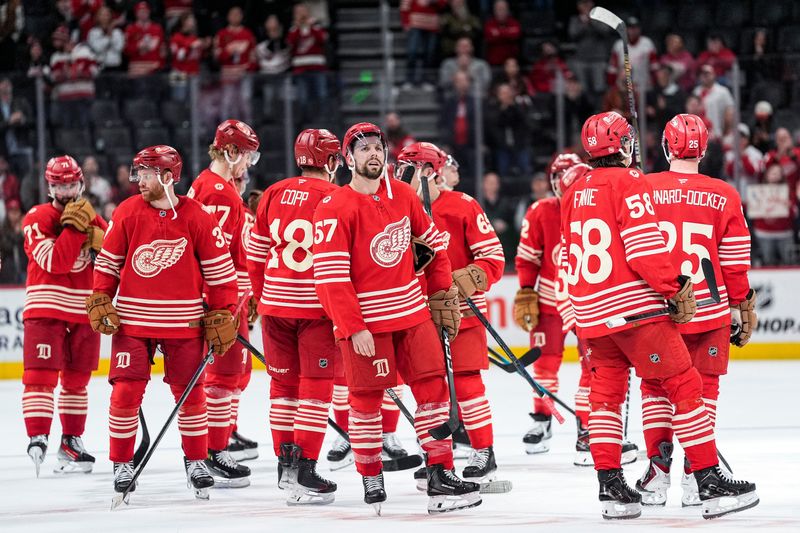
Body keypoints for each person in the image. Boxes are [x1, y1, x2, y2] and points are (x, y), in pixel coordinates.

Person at [562, 111, 757, 520]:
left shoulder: (575, 189)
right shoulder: (642, 182)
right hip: (644, 308)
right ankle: (706, 478)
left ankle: (615, 486)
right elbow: (644, 248)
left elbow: (567, 253)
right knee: (688, 385)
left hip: (592, 313)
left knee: (608, 399)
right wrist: (676, 288)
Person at [312, 122, 480, 514]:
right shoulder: (334, 207)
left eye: (378, 146)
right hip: (368, 326)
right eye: (364, 148)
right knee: (366, 401)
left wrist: (441, 295)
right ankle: (372, 476)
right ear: (348, 158)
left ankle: (440, 472)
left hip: (412, 315)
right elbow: (331, 278)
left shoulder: (403, 194)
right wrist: (353, 327)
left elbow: (435, 249)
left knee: (433, 391)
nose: (373, 153)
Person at [89, 145, 239, 500]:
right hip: (132, 323)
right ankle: (122, 463)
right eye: (137, 173)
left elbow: (220, 274)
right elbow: (107, 265)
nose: (139, 180)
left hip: (184, 324)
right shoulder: (127, 212)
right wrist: (100, 298)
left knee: (191, 396)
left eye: (146, 174)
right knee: (125, 393)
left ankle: (196, 461)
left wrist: (222, 310)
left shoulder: (198, 216)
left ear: (168, 177)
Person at [636, 114, 759, 507]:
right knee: (703, 392)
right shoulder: (725, 194)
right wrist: (742, 304)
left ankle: (656, 476)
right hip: (710, 311)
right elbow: (735, 262)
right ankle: (696, 474)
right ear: (704, 149)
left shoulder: (643, 188)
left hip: (659, 309)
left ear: (666, 146)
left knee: (657, 389)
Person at [514, 153, 638, 464]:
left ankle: (589, 426)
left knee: (593, 367)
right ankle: (543, 419)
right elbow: (528, 256)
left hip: (588, 302)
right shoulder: (541, 211)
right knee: (545, 365)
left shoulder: (599, 207)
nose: (562, 184)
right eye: (556, 177)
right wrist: (527, 290)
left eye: (568, 177)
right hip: (549, 302)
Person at [396, 141, 505, 486]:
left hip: (462, 315)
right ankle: (435, 456)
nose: (401, 176)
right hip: (416, 315)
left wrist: (461, 280)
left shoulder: (463, 205)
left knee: (468, 383)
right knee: (429, 390)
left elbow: (493, 258)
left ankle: (483, 450)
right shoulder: (395, 209)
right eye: (399, 169)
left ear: (430, 171)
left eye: (408, 169)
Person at [247, 128, 341, 504]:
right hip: (316, 309)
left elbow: (254, 254)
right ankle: (305, 467)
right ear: (331, 161)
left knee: (283, 387)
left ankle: (285, 466)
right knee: (316, 388)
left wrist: (261, 297)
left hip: (274, 307)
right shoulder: (337, 196)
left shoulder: (272, 192)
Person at [21, 155, 107, 476]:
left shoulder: (93, 218)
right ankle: (39, 436)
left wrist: (102, 244)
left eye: (71, 183)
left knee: (77, 381)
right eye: (60, 185)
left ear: (81, 182)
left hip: (84, 310)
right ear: (50, 187)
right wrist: (74, 229)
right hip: (47, 308)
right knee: (41, 377)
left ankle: (71, 441)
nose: (67, 191)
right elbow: (55, 262)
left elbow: (115, 257)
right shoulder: (36, 217)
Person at [188, 120, 261, 488]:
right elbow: (209, 255)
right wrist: (220, 302)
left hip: (226, 299)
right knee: (222, 378)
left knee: (228, 377)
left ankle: (214, 448)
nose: (248, 163)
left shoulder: (213, 187)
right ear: (230, 152)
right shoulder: (217, 191)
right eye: (246, 155)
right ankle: (212, 452)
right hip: (216, 302)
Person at [213, 7, 256, 124]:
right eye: (233, 14)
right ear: (228, 17)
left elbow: (253, 57)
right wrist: (230, 51)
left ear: (242, 16)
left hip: (244, 74)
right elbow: (217, 56)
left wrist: (246, 68)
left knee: (245, 103)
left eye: (238, 14)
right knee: (227, 104)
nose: (235, 16)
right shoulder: (222, 34)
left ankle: (248, 134)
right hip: (228, 75)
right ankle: (224, 132)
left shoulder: (247, 34)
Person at [401, 0, 447, 89]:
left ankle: (426, 79)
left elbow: (443, 4)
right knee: (412, 52)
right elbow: (405, 5)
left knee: (430, 53)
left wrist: (432, 1)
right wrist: (405, 21)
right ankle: (409, 79)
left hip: (432, 24)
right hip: (415, 23)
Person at [483, 0, 521, 67]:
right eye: (499, 9)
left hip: (511, 61)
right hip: (494, 62)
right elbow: (489, 37)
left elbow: (516, 35)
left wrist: (498, 33)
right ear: (494, 11)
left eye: (503, 9)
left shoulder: (514, 23)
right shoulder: (489, 23)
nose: (501, 12)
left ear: (508, 10)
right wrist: (508, 32)